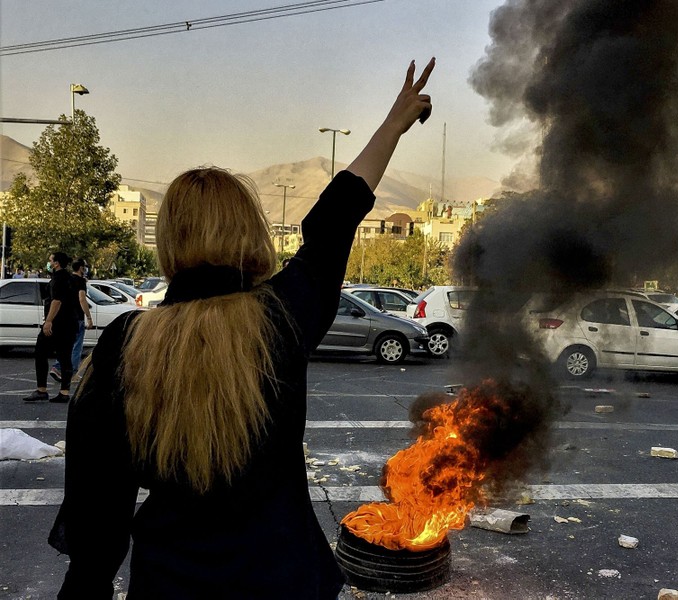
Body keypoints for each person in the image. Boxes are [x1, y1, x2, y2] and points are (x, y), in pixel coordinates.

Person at [49, 58, 435, 599]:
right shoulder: (281, 317)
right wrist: (393, 125)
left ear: (169, 241)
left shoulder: (125, 345)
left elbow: (97, 520)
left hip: (171, 586)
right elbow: (334, 221)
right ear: (250, 231)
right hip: (286, 581)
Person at [23, 252, 79, 403]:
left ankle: (42, 390)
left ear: (56, 263)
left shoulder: (58, 279)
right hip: (70, 324)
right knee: (65, 357)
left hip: (57, 325)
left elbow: (57, 301)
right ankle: (64, 392)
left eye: (50, 261)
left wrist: (48, 321)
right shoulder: (70, 278)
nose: (48, 263)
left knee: (40, 352)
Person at [50, 259, 93, 383]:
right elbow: (82, 299)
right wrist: (88, 317)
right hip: (77, 317)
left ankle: (57, 367)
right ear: (80, 268)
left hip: (65, 316)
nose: (85, 269)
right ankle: (72, 373)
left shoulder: (68, 279)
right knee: (76, 346)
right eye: (84, 267)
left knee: (66, 345)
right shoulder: (80, 281)